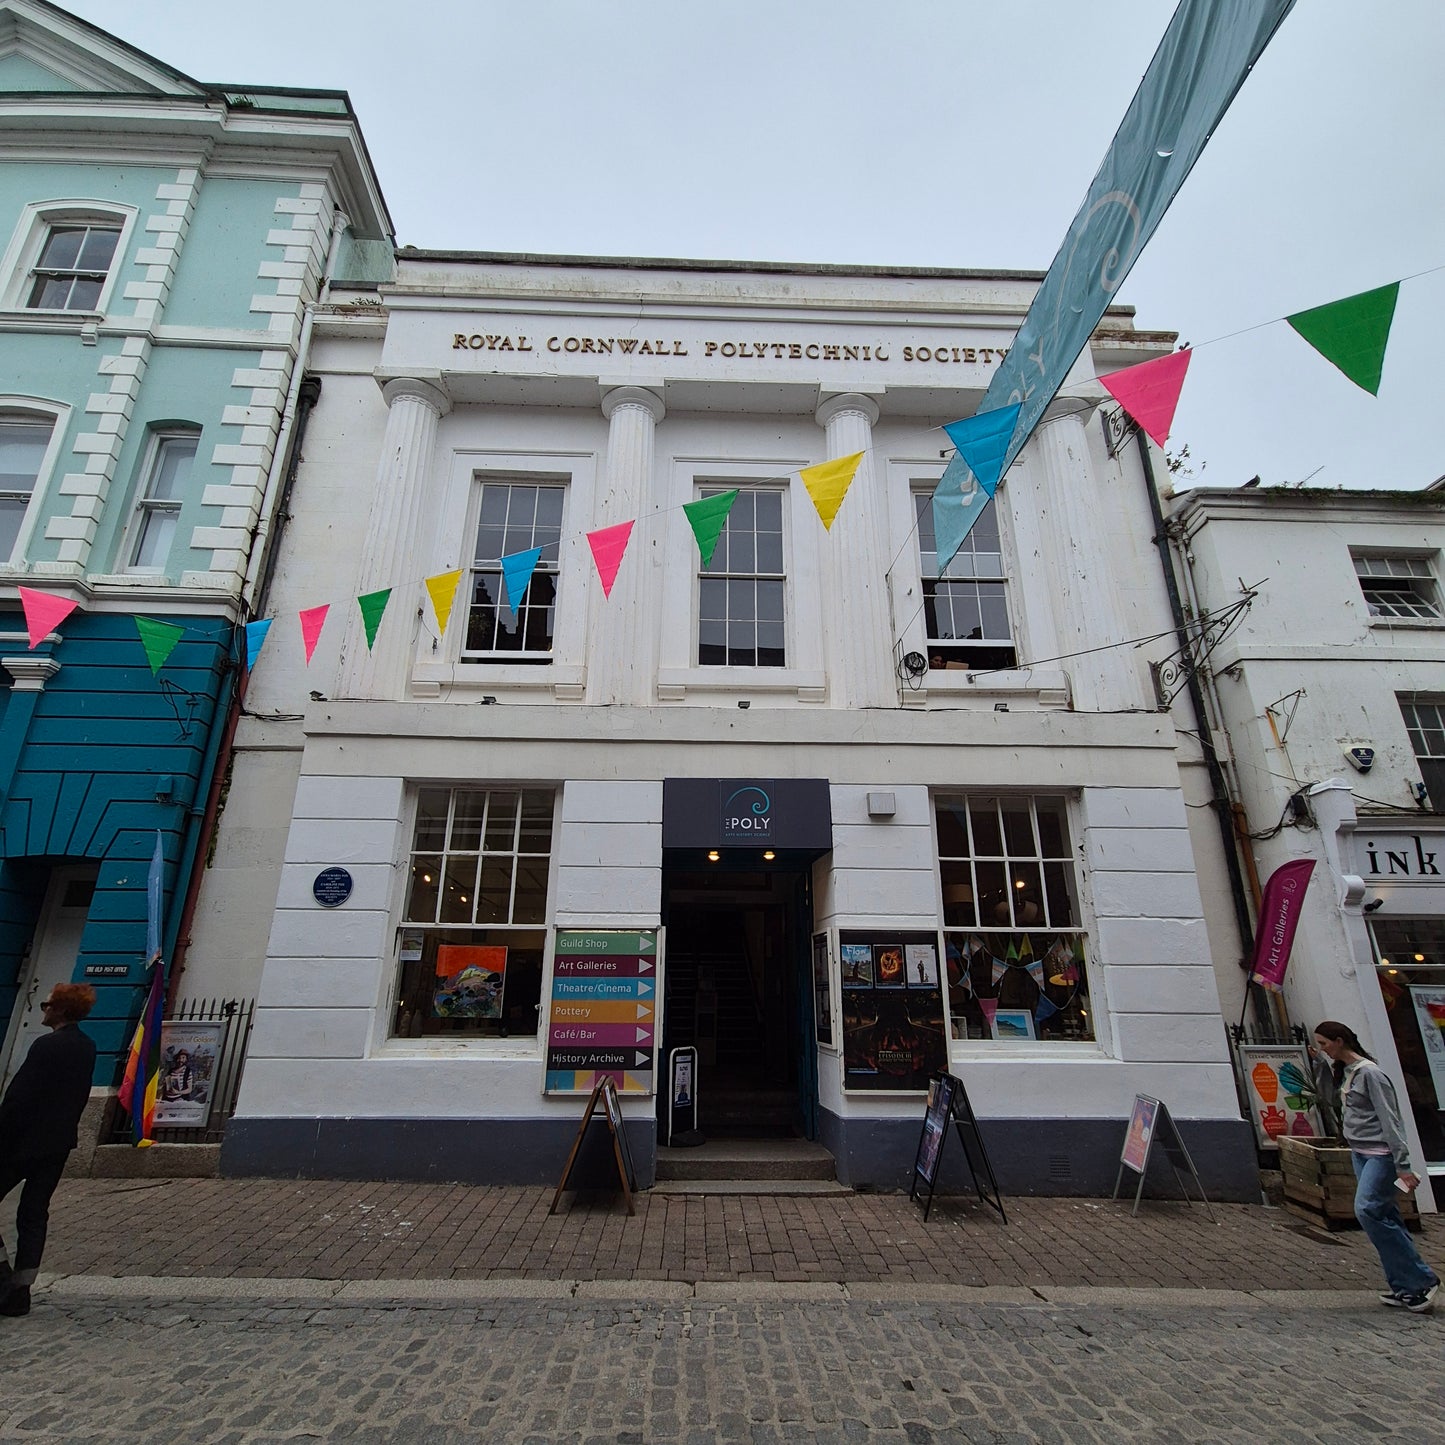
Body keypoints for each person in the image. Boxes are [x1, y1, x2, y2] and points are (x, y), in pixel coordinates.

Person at [1312, 1020, 1439, 1314]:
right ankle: (1404, 1287)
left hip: (1380, 1155)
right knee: (1386, 1216)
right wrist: (1320, 1066)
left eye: (1324, 1044)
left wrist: (1403, 1165)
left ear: (1340, 1040)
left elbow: (1391, 1120)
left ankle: (1422, 1279)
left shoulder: (1371, 1073)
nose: (1323, 1049)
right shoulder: (1346, 1072)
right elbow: (1328, 1100)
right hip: (1360, 1153)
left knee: (1367, 1210)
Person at [0, 982, 97, 1319]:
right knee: (34, 1212)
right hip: (57, 1144)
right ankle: (21, 1289)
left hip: (22, 1143)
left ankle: (3, 1278)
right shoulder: (87, 1046)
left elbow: (18, 1099)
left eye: (47, 1004)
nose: (43, 1009)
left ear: (60, 1010)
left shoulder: (45, 1046)